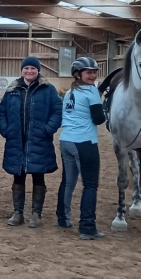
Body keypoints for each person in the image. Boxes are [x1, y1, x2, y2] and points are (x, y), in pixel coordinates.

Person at [0, 55, 63, 228]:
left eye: (33, 68)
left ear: (38, 70)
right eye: (26, 68)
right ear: (22, 70)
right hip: (17, 141)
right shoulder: (12, 90)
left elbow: (57, 111)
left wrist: (48, 129)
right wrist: (6, 130)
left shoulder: (48, 89)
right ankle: (18, 212)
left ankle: (36, 214)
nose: (29, 71)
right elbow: (2, 112)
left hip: (39, 141)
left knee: (38, 176)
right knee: (18, 177)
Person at [56, 57, 107, 240]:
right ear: (78, 74)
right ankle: (87, 227)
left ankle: (63, 218)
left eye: (94, 72)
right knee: (90, 185)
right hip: (84, 142)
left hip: (66, 140)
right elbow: (98, 119)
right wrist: (105, 109)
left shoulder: (69, 92)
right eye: (88, 72)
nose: (92, 75)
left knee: (68, 182)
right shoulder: (91, 91)